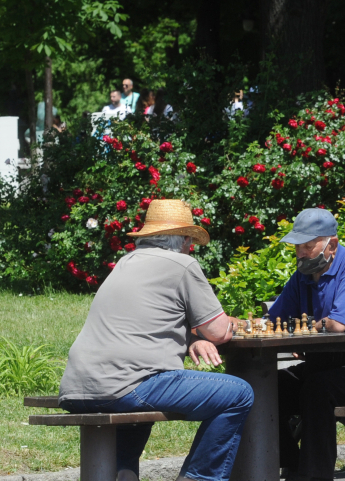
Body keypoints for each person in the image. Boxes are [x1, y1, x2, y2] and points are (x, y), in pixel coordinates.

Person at [59, 199, 253, 481]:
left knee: (139, 405)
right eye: (190, 241)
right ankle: (199, 478)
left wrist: (191, 337)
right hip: (129, 383)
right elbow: (219, 331)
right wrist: (235, 325)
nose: (191, 247)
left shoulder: (125, 263)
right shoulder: (182, 264)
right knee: (238, 393)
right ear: (185, 239)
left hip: (79, 385)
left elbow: (148, 321)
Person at [267, 208, 345, 481]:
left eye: (307, 246)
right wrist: (239, 324)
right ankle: (292, 465)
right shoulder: (302, 275)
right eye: (297, 247)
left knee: (317, 389)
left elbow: (338, 325)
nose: (300, 253)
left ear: (332, 244)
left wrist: (300, 329)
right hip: (323, 365)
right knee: (270, 387)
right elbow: (273, 321)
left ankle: (314, 476)